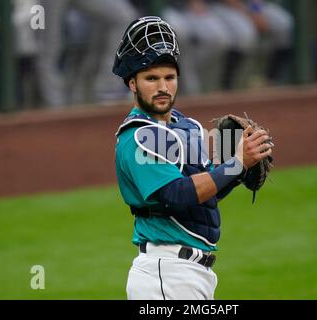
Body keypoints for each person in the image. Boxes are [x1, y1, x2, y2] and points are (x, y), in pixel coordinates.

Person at [113, 16, 273, 300]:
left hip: (193, 275)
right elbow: (176, 194)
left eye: (169, 77)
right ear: (133, 84)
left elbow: (204, 196)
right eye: (151, 78)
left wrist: (238, 170)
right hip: (165, 275)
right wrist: (236, 163)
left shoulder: (188, 127)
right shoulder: (137, 137)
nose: (163, 87)